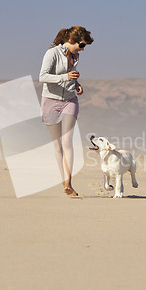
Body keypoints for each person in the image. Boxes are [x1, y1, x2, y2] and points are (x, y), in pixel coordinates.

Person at [39, 26, 94, 197]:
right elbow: (43, 76)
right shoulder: (52, 53)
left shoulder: (75, 55)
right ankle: (63, 179)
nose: (83, 50)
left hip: (70, 101)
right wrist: (65, 78)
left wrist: (76, 85)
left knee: (68, 141)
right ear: (72, 41)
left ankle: (68, 184)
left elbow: (69, 76)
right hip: (50, 102)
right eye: (82, 45)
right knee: (58, 145)